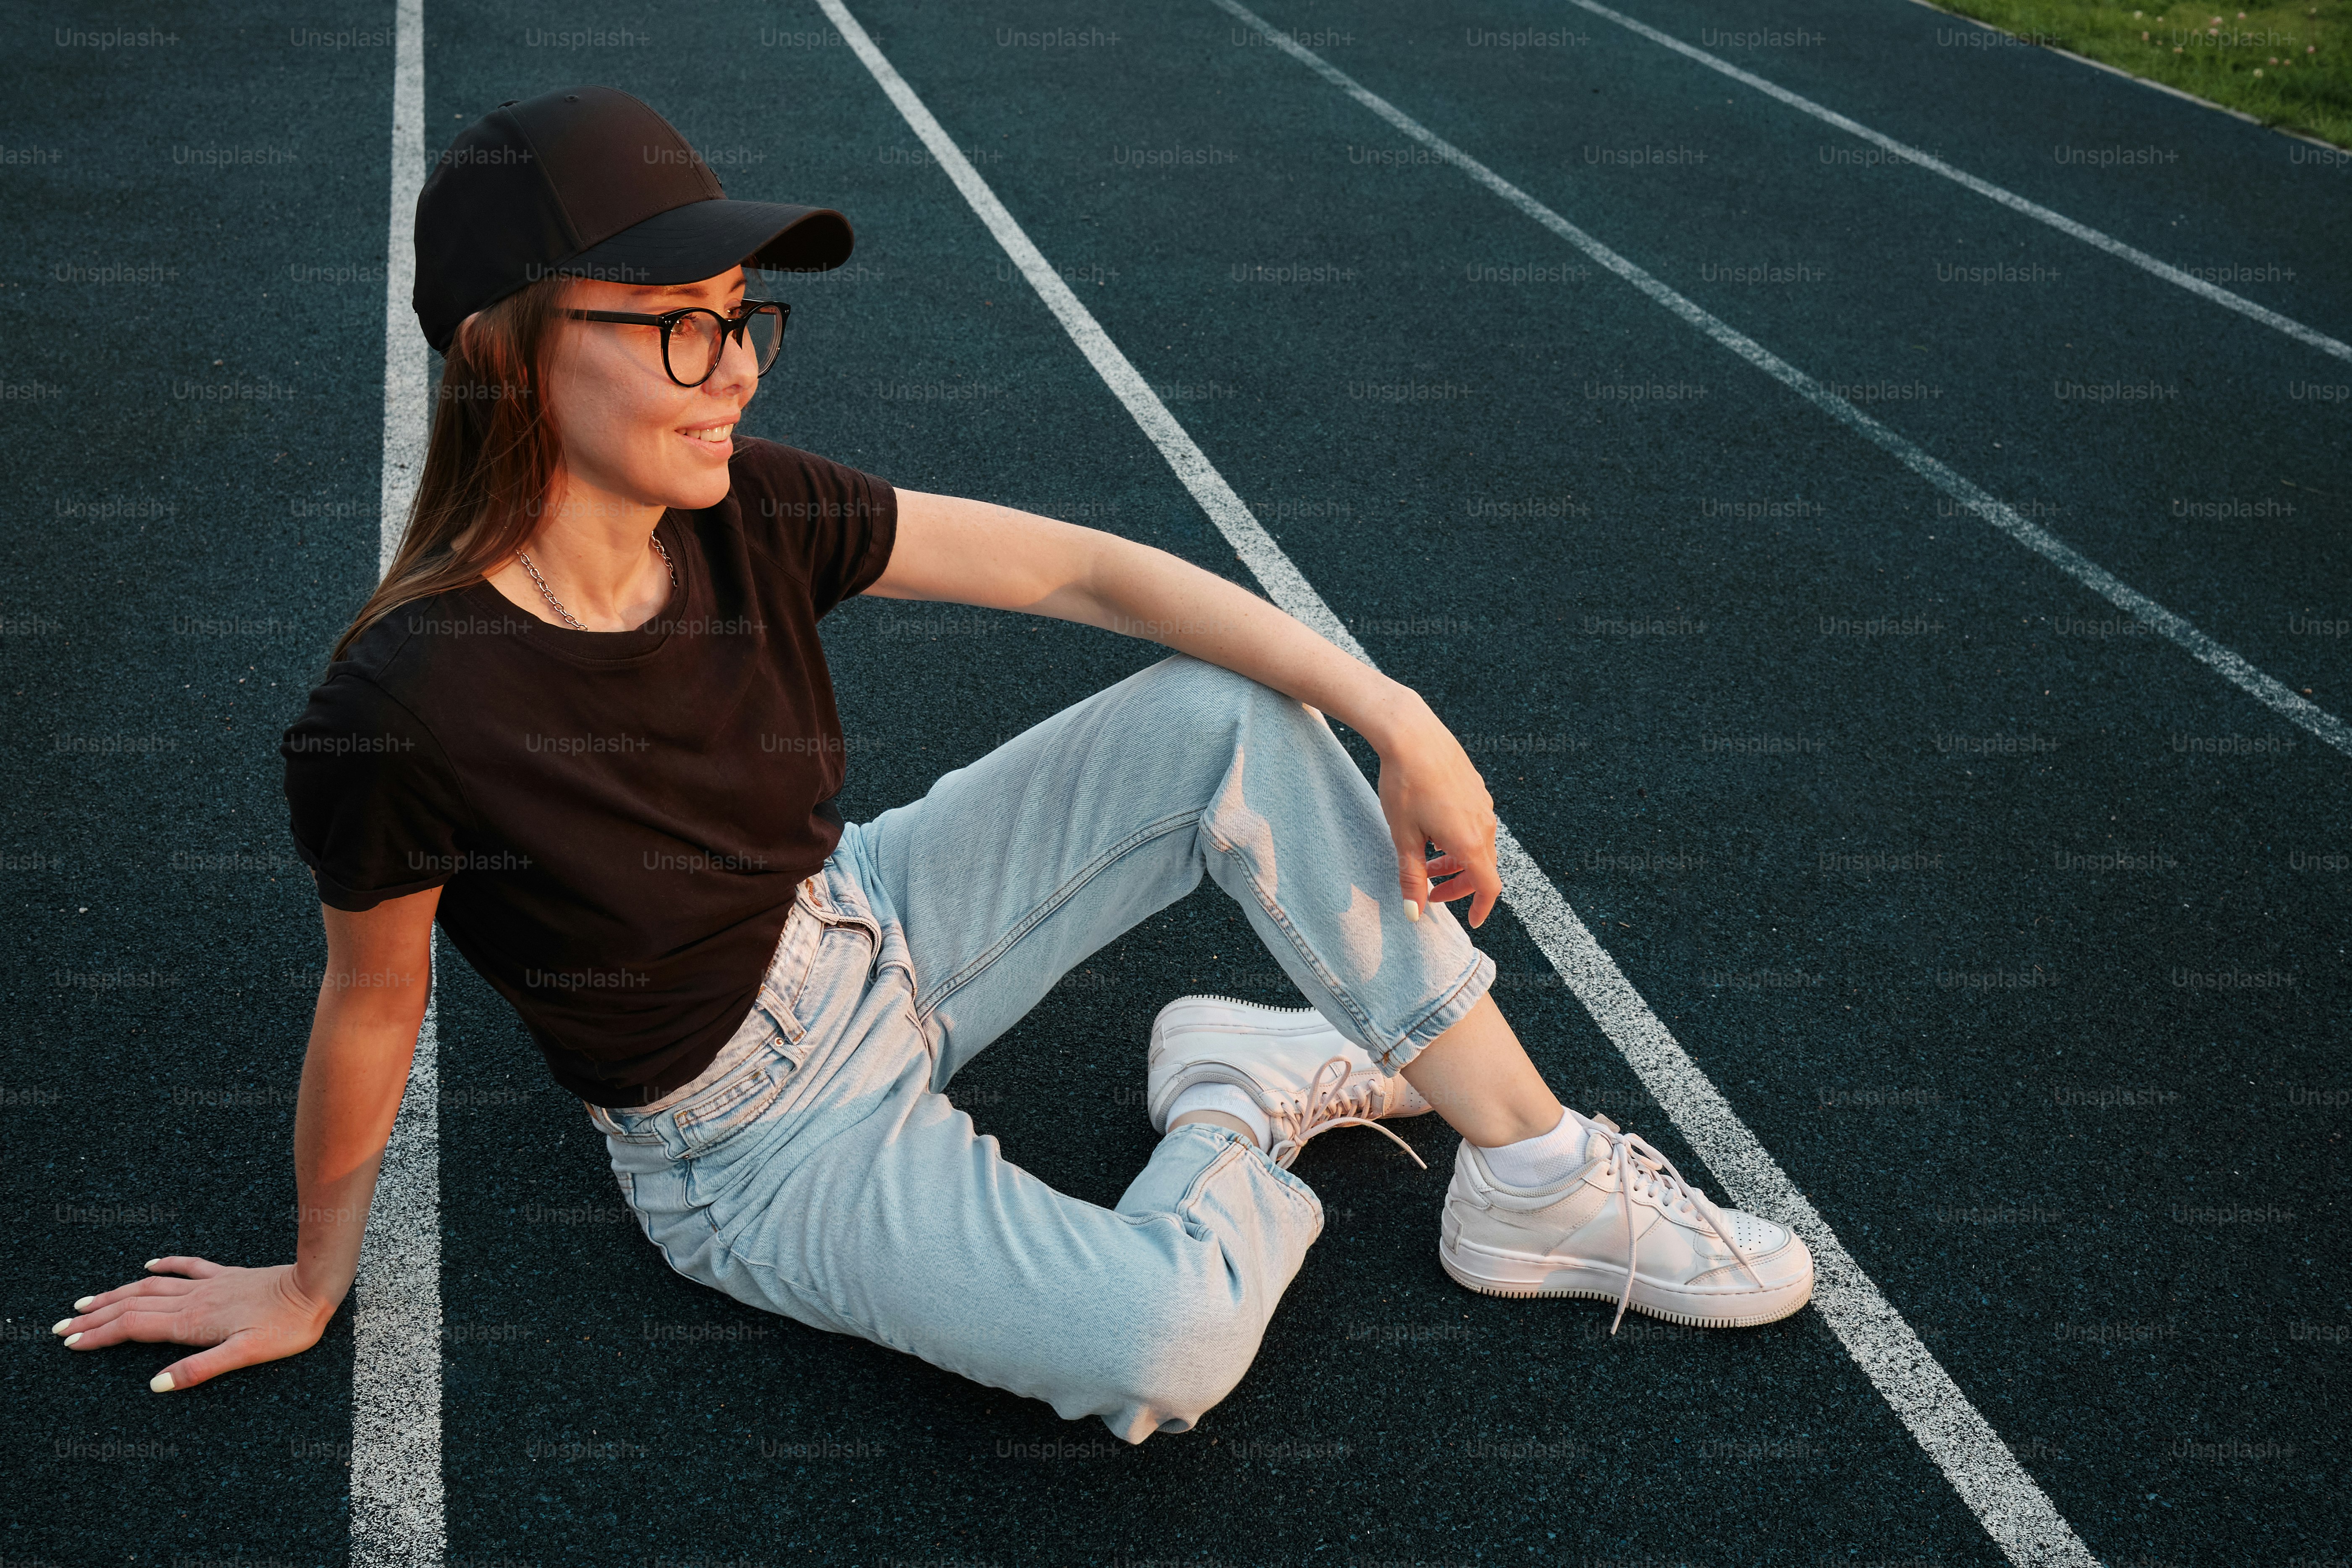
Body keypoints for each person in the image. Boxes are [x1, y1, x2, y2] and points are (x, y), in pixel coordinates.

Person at [50, 87, 1811, 1440]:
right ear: (509, 353)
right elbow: (372, 1004)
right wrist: (311, 1273)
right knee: (1163, 1351)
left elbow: (1084, 571)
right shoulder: (404, 704)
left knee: (1222, 712)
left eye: (742, 314)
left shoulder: (750, 510)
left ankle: (1528, 1172)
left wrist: (1396, 712)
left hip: (870, 915)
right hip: (751, 1146)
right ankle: (1233, 1096)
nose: (728, 365)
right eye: (675, 321)